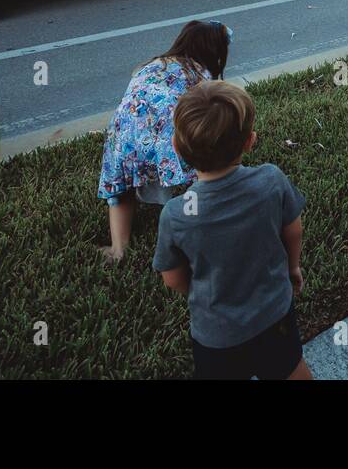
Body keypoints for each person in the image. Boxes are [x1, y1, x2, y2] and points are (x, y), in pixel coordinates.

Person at [153, 80, 311, 380]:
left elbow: (172, 279)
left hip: (217, 336)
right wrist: (293, 268)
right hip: (275, 314)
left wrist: (205, 291)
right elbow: (293, 230)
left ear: (177, 148)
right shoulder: (271, 181)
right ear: (250, 141)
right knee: (290, 368)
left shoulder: (175, 215)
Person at [98, 20, 231, 262]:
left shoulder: (153, 64)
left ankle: (118, 248)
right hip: (164, 132)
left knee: (122, 187)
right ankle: (199, 230)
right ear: (214, 51)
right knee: (199, 172)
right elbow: (206, 114)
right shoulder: (200, 74)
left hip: (123, 130)